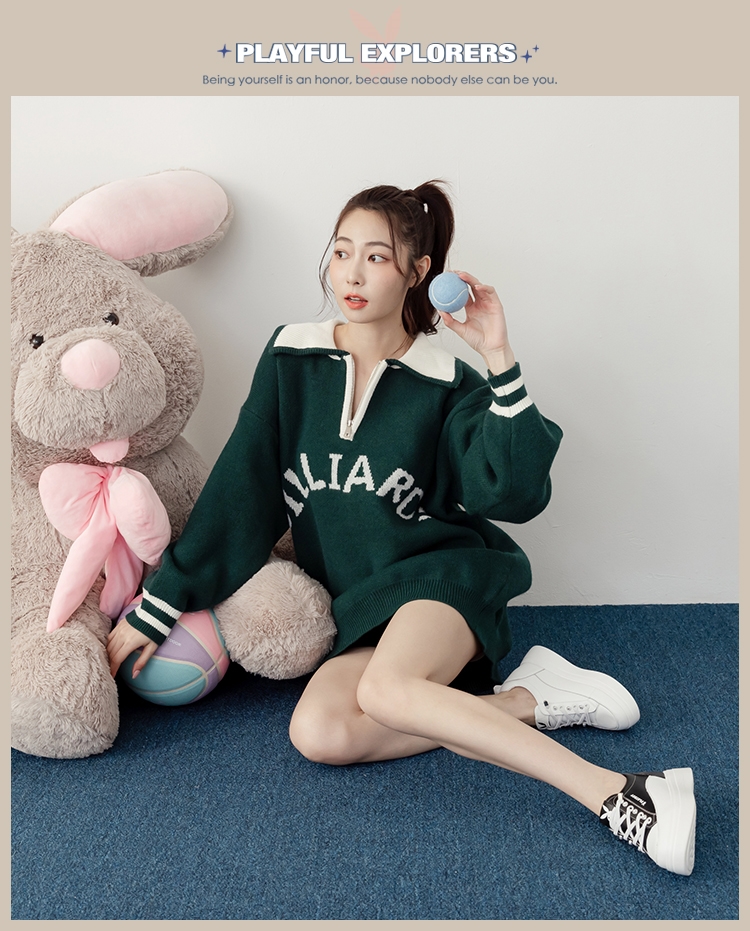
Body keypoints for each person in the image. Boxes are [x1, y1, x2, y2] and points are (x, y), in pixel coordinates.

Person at [106, 181, 696, 876]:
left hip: (441, 579)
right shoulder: (291, 357)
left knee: (385, 694)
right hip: (360, 605)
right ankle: (524, 700)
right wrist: (165, 599)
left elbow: (514, 493)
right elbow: (245, 489)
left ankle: (622, 792)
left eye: (377, 257)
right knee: (319, 731)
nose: (351, 274)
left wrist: (499, 358)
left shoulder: (448, 381)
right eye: (342, 252)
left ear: (418, 272)